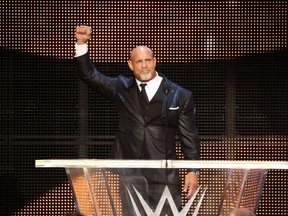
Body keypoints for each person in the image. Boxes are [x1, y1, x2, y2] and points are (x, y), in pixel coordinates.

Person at [74, 25, 200, 215]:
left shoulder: (179, 94)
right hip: (130, 171)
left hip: (163, 171)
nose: (144, 66)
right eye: (139, 61)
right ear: (131, 65)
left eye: (148, 60)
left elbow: (188, 135)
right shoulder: (121, 87)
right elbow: (90, 75)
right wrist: (82, 44)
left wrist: (193, 169)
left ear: (155, 62)